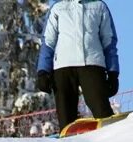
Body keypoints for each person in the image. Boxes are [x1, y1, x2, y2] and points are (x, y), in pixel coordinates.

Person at [36, 0, 120, 131]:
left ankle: (112, 137)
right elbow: (48, 42)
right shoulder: (58, 8)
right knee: (66, 119)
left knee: (102, 110)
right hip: (63, 68)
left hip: (92, 65)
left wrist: (113, 72)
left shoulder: (99, 6)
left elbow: (109, 41)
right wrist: (43, 71)